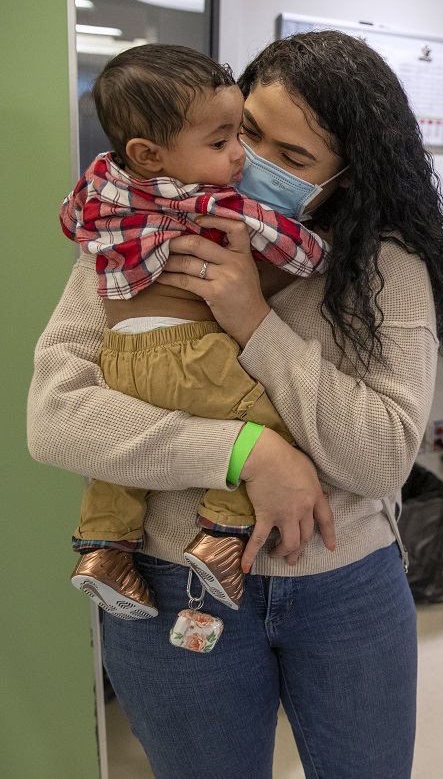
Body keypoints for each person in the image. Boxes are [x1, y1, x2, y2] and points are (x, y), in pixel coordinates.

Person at [28, 30, 443, 778]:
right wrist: (246, 451)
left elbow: (383, 457)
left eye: (291, 159)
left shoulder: (386, 264)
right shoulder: (132, 228)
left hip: (344, 582)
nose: (245, 161)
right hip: (168, 578)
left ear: (345, 179)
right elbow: (56, 417)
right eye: (245, 131)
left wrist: (254, 323)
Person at [62, 43, 333, 619]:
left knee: (116, 466)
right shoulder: (213, 204)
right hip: (188, 350)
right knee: (264, 417)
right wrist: (319, 251)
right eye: (226, 141)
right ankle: (220, 535)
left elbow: (71, 222)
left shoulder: (102, 183)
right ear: (150, 153)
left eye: (288, 152)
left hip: (120, 356)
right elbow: (296, 251)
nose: (240, 158)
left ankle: (103, 551)